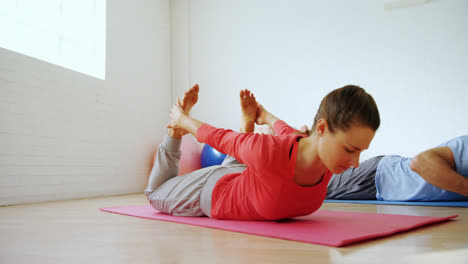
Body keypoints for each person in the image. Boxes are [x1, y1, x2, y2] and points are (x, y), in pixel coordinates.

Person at [144, 84, 380, 220]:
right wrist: (183, 120)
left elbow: (287, 131)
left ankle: (247, 122)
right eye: (351, 149)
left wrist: (264, 115)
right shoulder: (269, 152)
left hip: (246, 176)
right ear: (322, 129)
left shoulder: (317, 151)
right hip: (212, 191)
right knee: (155, 194)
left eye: (360, 151)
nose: (356, 162)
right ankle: (174, 134)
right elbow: (220, 138)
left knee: (244, 164)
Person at [326, 136, 468, 201]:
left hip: (385, 185)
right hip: (379, 176)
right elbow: (420, 163)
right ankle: (305, 138)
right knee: (317, 188)